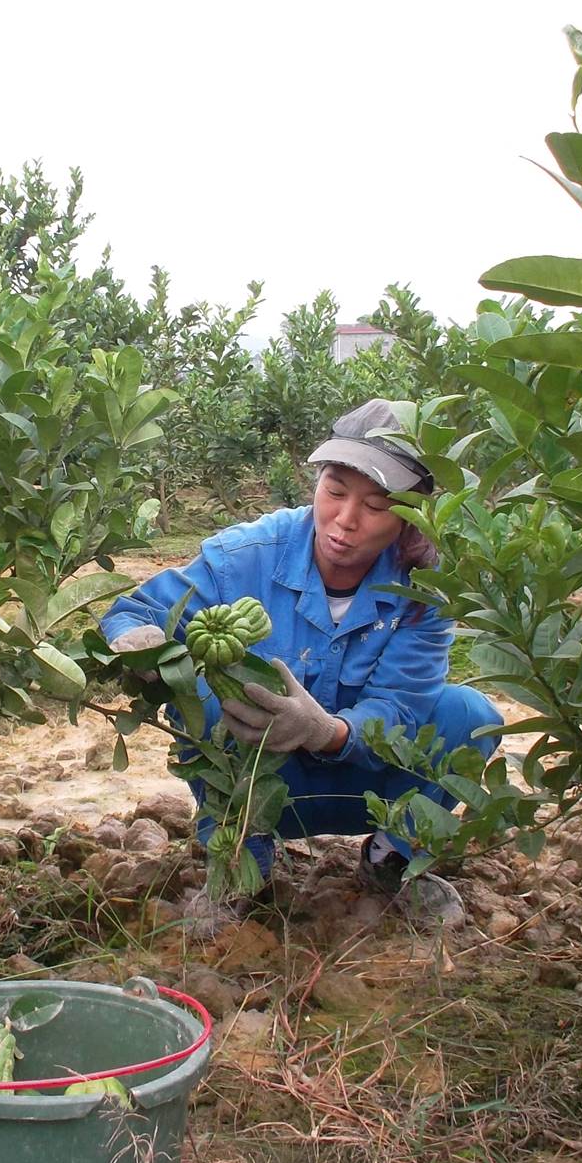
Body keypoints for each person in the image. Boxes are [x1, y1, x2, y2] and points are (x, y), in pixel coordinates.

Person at [100, 399, 502, 932]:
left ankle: (392, 858)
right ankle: (243, 859)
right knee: (201, 692)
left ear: (413, 517)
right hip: (261, 782)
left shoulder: (425, 587)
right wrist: (134, 640)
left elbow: (403, 706)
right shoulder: (246, 555)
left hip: (368, 784)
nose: (345, 520)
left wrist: (328, 731)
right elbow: (138, 610)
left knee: (470, 714)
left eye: (377, 505)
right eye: (334, 492)